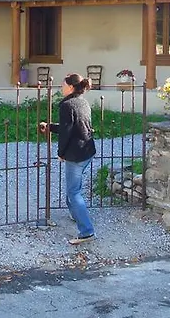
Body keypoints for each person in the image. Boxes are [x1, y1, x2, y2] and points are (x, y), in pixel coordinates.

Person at [39, 73, 96, 245]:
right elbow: (72, 126)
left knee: (73, 192)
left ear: (71, 87)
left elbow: (67, 133)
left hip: (75, 154)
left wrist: (61, 153)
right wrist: (50, 127)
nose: (61, 87)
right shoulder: (83, 102)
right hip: (87, 151)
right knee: (73, 188)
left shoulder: (66, 105)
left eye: (63, 85)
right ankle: (76, 214)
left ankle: (87, 231)